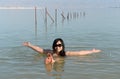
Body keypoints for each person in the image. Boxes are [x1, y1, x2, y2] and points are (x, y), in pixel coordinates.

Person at [23, 38, 101, 64]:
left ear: (62, 46)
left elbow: (79, 53)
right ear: (54, 46)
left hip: (60, 64)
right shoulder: (51, 52)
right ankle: (51, 61)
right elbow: (40, 50)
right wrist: (30, 45)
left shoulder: (66, 53)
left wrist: (92, 51)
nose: (57, 47)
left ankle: (52, 61)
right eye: (56, 45)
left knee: (53, 61)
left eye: (59, 45)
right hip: (52, 59)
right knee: (48, 60)